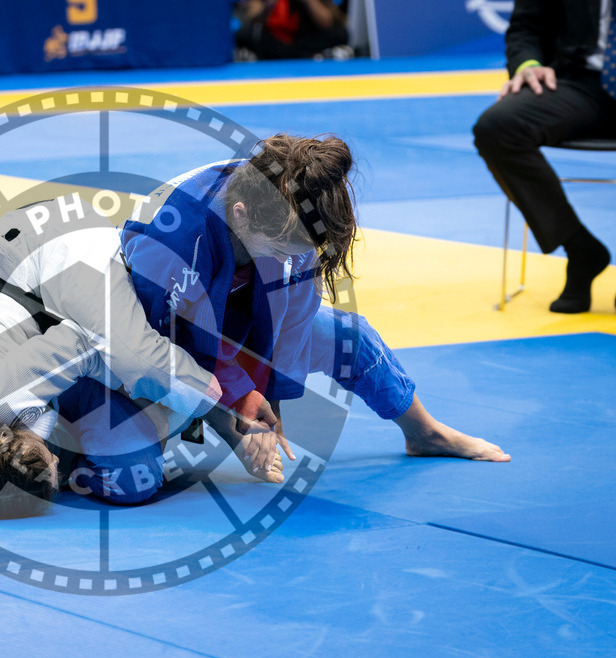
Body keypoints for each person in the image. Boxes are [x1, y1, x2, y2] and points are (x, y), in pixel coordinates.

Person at [120, 134, 511, 464]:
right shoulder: (173, 239)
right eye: (281, 250)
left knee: (349, 336)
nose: (291, 259)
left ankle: (426, 434)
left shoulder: (292, 199)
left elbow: (295, 316)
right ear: (239, 215)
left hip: (237, 316)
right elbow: (174, 347)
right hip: (146, 336)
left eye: (299, 250)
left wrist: (274, 400)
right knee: (131, 470)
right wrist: (239, 416)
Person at [0, 194, 286, 521]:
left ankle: (224, 414)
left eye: (47, 462)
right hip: (17, 337)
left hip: (47, 243)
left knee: (145, 364)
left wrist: (216, 407)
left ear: (11, 438)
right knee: (134, 476)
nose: (54, 464)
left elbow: (86, 343)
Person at [473, 0, 616, 313]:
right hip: (581, 82)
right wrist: (528, 65)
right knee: (498, 127)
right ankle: (581, 249)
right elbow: (526, 27)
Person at [235, 0, 350, 61]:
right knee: (244, 35)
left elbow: (328, 23)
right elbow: (252, 19)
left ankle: (317, 54)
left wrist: (310, 2)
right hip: (275, 42)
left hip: (304, 41)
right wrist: (269, 6)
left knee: (341, 34)